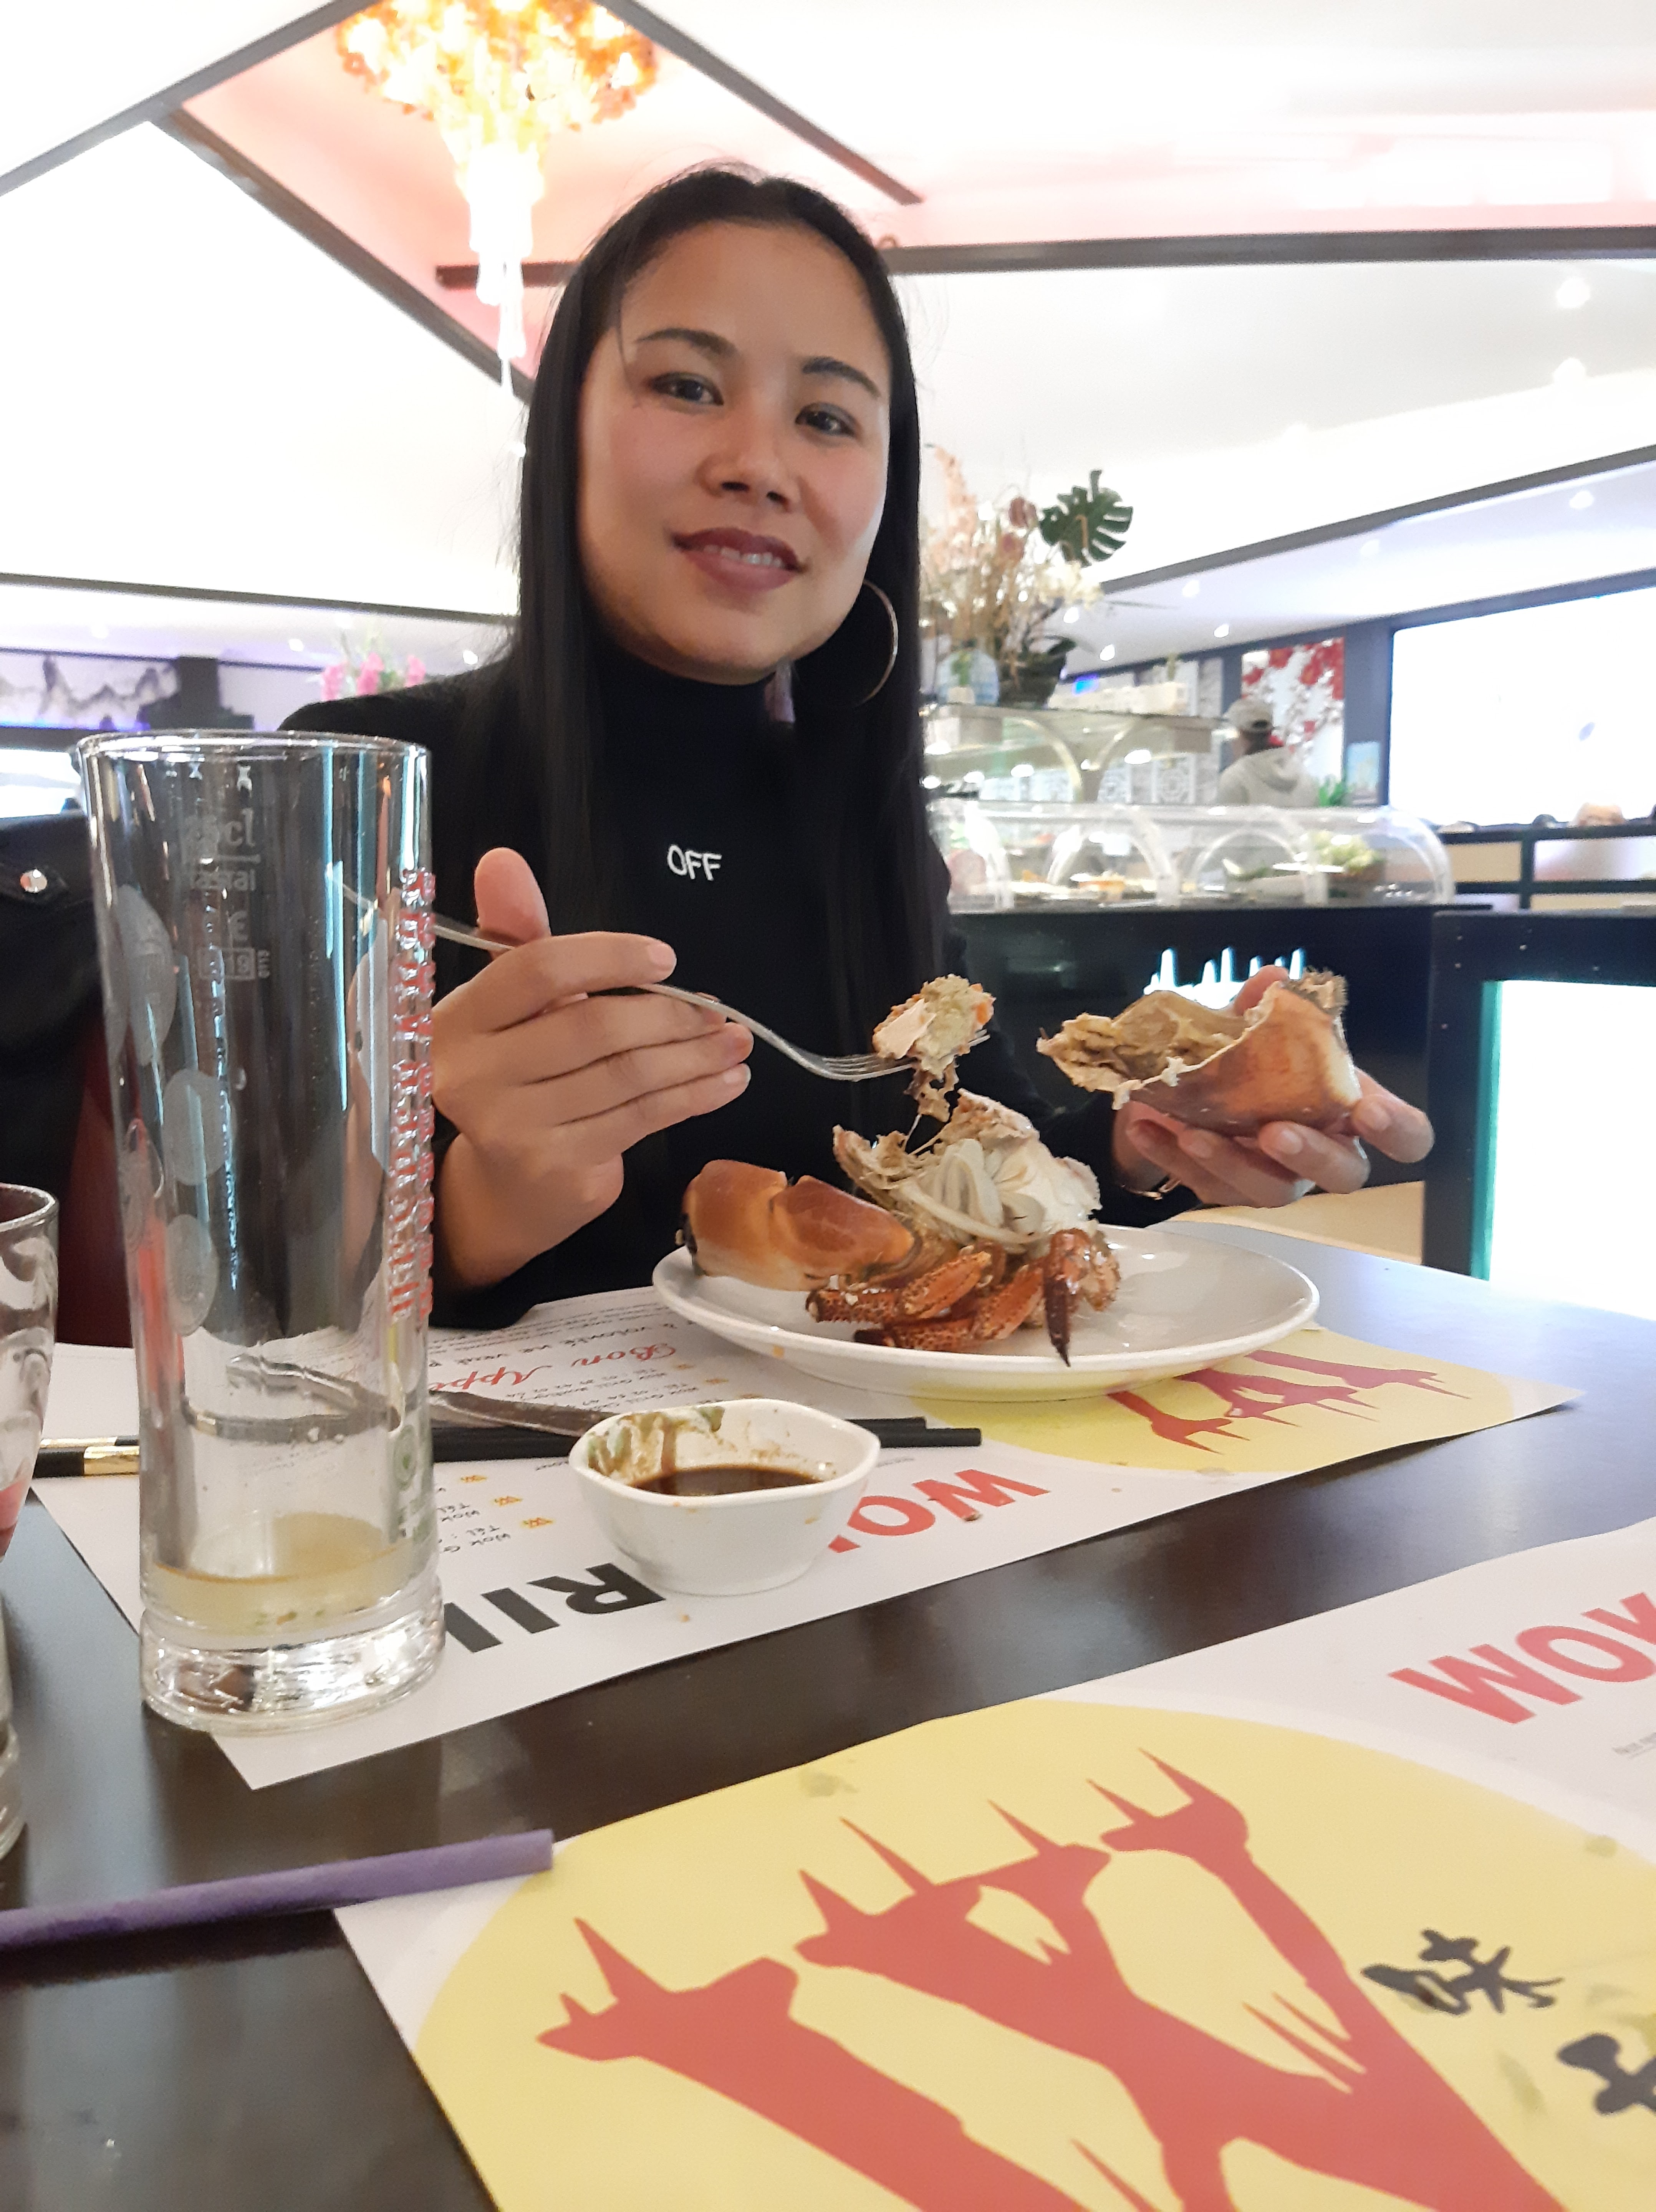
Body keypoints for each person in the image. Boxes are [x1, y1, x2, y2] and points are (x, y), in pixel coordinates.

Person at [288, 169, 1431, 1325]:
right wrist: (473, 1209)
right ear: (565, 432)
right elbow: (252, 1289)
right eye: (687, 385)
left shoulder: (864, 825)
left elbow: (964, 1144)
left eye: (827, 418)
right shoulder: (356, 786)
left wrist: (1150, 1137)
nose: (758, 463)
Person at [1216, 697, 1320, 808]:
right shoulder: (1304, 777)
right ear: (1270, 732)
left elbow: (1229, 819)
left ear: (1239, 733)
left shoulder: (1235, 779)